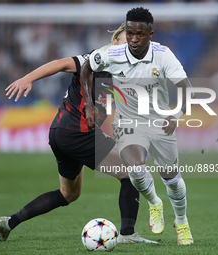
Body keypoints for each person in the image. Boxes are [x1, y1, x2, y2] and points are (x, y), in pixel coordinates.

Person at [0, 23, 158, 245]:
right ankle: (128, 234)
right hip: (76, 132)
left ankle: (8, 222)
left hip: (60, 133)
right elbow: (61, 64)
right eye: (124, 39)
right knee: (133, 172)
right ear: (114, 41)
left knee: (68, 194)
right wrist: (28, 78)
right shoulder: (97, 59)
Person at [80, 7, 193, 245]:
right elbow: (86, 68)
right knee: (135, 167)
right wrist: (88, 104)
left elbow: (185, 87)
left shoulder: (163, 55)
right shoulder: (113, 53)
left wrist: (176, 115)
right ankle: (154, 203)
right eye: (130, 32)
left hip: (160, 122)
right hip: (128, 122)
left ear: (151, 34)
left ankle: (181, 221)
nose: (133, 38)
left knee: (172, 179)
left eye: (139, 34)